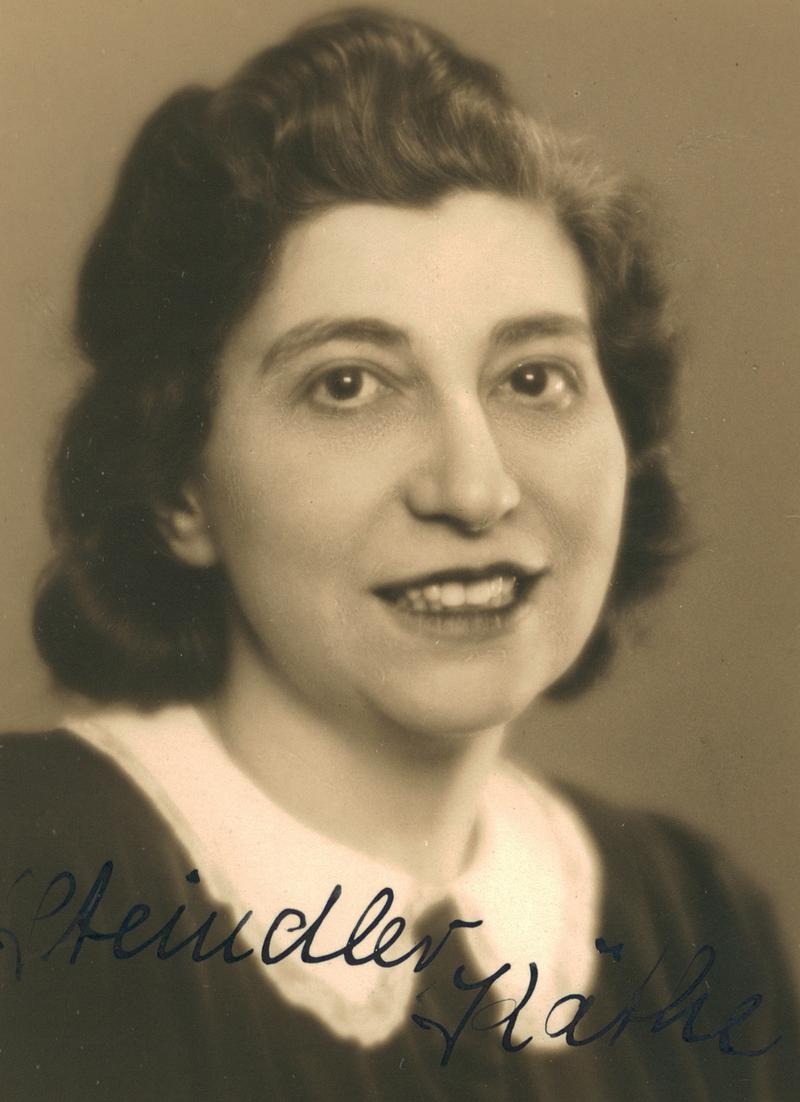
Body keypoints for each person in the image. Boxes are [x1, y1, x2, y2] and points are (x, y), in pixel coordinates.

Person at [0, 8, 795, 1099]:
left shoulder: (689, 917)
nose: (473, 490)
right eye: (348, 386)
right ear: (179, 486)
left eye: (534, 378)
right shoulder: (35, 875)